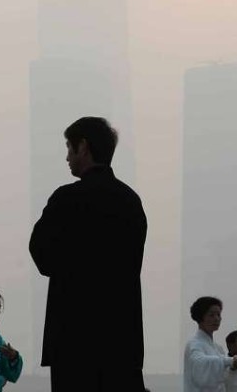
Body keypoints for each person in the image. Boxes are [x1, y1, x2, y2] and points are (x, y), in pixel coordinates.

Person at [29, 117, 148, 392]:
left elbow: (41, 256)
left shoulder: (65, 199)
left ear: (83, 147)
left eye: (69, 147)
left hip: (73, 342)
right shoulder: (131, 201)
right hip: (122, 342)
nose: (67, 156)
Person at [183, 297, 237, 392]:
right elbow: (200, 365)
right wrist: (228, 361)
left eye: (218, 315)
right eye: (211, 315)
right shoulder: (194, 344)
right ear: (201, 317)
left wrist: (233, 368)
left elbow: (225, 379)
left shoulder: (218, 348)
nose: (216, 319)